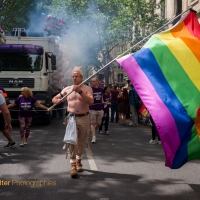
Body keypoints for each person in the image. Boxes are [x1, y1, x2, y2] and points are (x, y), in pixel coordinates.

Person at [52, 69, 94, 178]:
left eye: (76, 76)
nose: (74, 78)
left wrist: (80, 91)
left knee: (82, 140)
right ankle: (73, 165)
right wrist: (56, 100)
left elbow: (91, 101)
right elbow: (54, 98)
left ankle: (78, 160)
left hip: (84, 117)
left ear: (82, 78)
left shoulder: (87, 89)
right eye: (73, 76)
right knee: (71, 141)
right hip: (71, 118)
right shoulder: (67, 89)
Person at [89, 77, 104, 143]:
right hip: (92, 108)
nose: (92, 82)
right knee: (93, 123)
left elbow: (102, 98)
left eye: (94, 81)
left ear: (97, 82)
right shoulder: (90, 89)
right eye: (92, 81)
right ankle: (94, 137)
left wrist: (104, 102)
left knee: (99, 124)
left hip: (100, 108)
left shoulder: (101, 89)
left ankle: (92, 131)